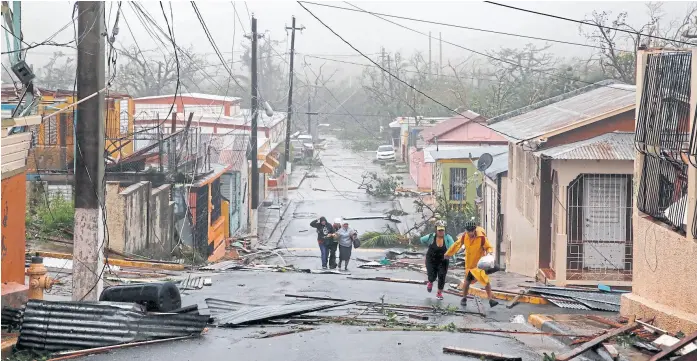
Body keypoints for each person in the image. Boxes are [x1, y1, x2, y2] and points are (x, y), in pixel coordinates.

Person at [444, 220, 500, 308]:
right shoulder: (464, 237)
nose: (470, 233)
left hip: (479, 264)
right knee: (466, 282)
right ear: (466, 230)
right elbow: (456, 245)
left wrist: (489, 253)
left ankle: (490, 300)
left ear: (474, 229)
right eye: (468, 231)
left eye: (471, 231)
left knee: (486, 281)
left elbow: (488, 247)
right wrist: (448, 254)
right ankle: (464, 298)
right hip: (469, 265)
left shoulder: (481, 237)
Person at [419, 222, 455, 300]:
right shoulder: (431, 236)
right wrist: (427, 244)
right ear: (436, 230)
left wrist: (453, 258)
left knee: (442, 276)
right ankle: (430, 282)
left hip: (443, 260)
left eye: (442, 230)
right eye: (439, 230)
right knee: (432, 276)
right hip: (431, 259)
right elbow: (421, 239)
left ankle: (439, 293)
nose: (441, 232)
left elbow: (453, 247)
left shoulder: (448, 238)